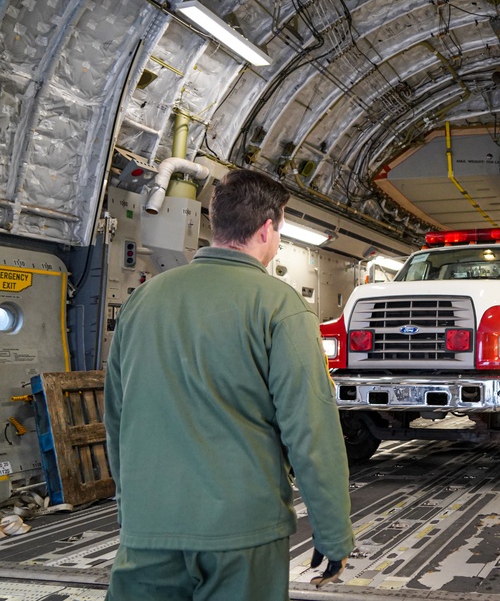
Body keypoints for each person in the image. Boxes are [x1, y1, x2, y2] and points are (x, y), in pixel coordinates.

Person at [104, 170, 354, 599]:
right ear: (267, 228)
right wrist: (333, 534)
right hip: (241, 535)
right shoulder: (279, 305)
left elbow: (116, 416)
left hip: (148, 530)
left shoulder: (142, 301)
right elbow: (310, 429)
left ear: (217, 224)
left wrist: (132, 509)